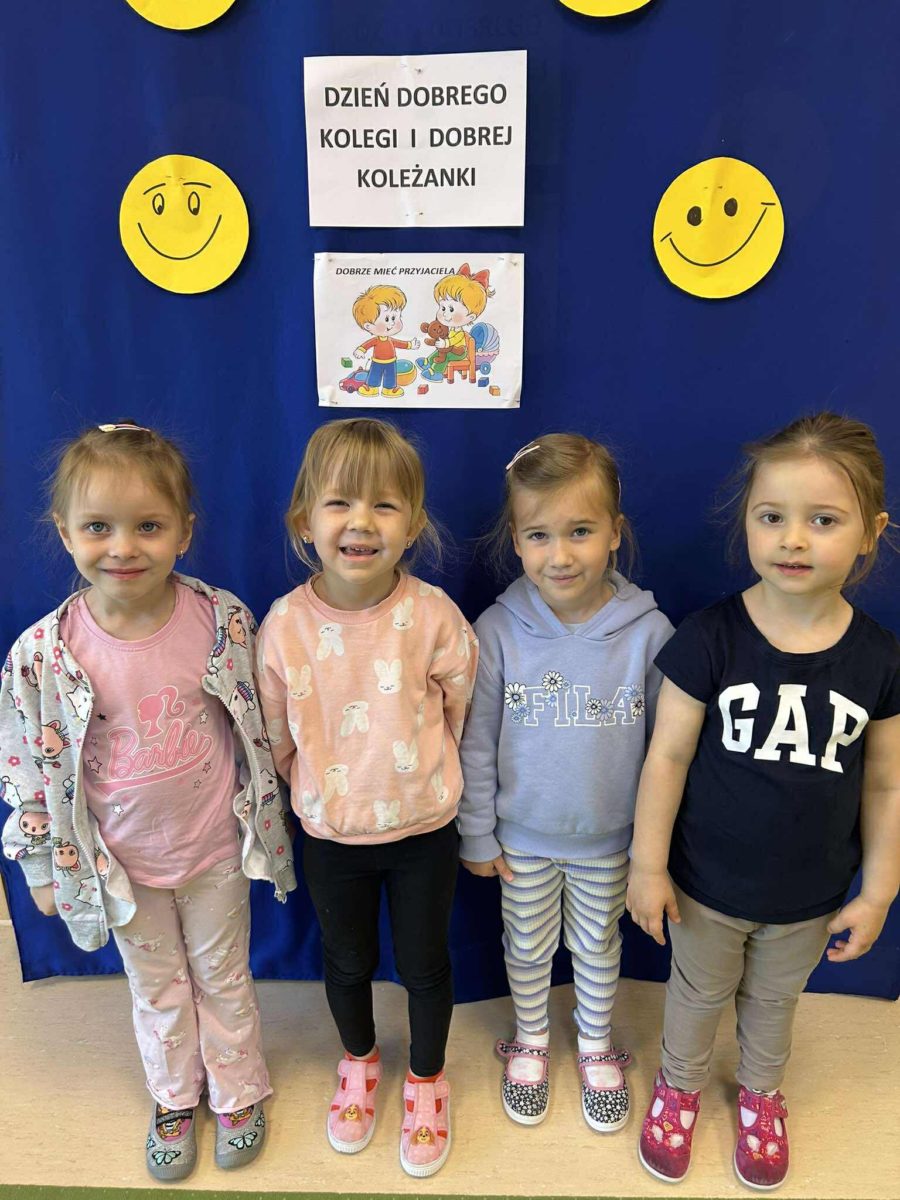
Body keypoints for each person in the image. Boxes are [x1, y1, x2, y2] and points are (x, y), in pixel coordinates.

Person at [0, 422, 296, 1182]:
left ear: (184, 532)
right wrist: (41, 865)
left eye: (149, 527)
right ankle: (174, 1095)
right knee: (157, 988)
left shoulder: (222, 622)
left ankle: (238, 1090)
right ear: (64, 532)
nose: (123, 548)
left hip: (215, 851)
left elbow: (265, 723)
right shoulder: (43, 655)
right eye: (99, 527)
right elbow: (26, 768)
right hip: (119, 867)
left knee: (224, 977)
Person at [627, 413, 900, 1190]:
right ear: (746, 520)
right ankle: (679, 1088)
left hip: (809, 896)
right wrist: (647, 866)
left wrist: (879, 890)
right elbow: (666, 757)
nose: (793, 539)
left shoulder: (878, 659)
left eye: (824, 520)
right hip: (705, 886)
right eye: (772, 517)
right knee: (697, 994)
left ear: (871, 533)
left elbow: (887, 782)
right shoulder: (711, 637)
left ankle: (760, 1094)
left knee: (776, 1003)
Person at [256, 417, 478, 1178]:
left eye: (384, 505)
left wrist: (419, 777)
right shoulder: (285, 625)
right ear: (304, 522)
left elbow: (460, 710)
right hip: (332, 835)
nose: (361, 522)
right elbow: (276, 735)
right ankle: (358, 1062)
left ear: (412, 525)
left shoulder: (434, 615)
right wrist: (321, 792)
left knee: (425, 964)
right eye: (340, 503)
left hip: (424, 832)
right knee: (346, 962)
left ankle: (427, 1079)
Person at [458, 434, 673, 1132]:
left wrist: (652, 846)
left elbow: (667, 753)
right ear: (516, 541)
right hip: (521, 839)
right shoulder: (498, 629)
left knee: (597, 945)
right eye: (539, 535)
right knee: (525, 945)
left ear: (615, 532)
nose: (561, 555)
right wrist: (477, 833)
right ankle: (529, 1038)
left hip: (609, 842)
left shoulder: (648, 634)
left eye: (580, 531)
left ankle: (595, 1043)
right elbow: (476, 741)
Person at [416, 263, 493, 381]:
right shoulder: (451, 328)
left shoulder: (459, 332)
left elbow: (454, 340)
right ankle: (428, 362)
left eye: (451, 309)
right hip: (451, 348)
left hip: (459, 352)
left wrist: (446, 343)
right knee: (439, 352)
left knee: (445, 356)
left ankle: (436, 373)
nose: (444, 313)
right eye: (442, 308)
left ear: (471, 317)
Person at [351, 284, 419, 398]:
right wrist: (360, 350)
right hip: (377, 362)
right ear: (368, 326)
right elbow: (367, 345)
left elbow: (398, 343)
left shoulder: (390, 340)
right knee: (374, 375)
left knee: (390, 376)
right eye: (387, 319)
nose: (392, 323)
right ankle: (371, 388)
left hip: (391, 362)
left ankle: (389, 389)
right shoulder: (376, 340)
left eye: (396, 317)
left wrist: (409, 345)